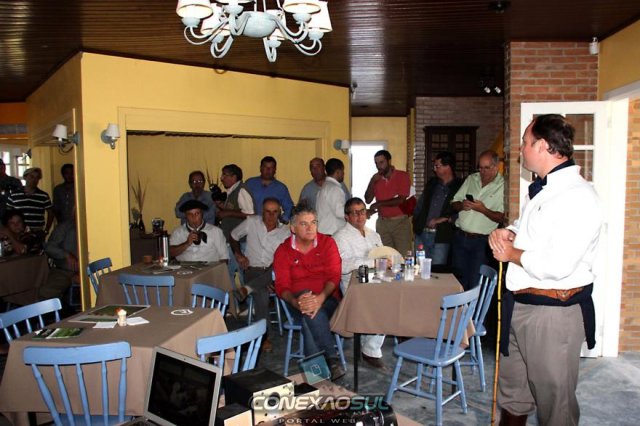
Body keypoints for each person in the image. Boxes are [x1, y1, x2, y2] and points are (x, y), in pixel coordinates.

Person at [489, 114, 602, 426]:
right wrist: (509, 232)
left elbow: (558, 264)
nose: (520, 150)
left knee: (556, 407)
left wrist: (511, 253)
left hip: (553, 314)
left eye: (525, 143)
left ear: (542, 146)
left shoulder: (578, 196)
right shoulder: (539, 190)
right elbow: (530, 230)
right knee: (513, 395)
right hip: (521, 307)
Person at [273, 203, 345, 379]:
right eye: (304, 224)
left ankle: (315, 376)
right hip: (295, 303)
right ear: (293, 228)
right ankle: (331, 359)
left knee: (310, 312)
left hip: (328, 299)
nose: (310, 228)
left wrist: (320, 298)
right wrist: (295, 302)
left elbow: (334, 277)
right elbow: (282, 286)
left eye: (313, 222)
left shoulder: (328, 243)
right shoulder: (283, 251)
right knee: (308, 305)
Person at [229, 198, 291, 352]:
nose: (271, 216)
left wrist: (273, 280)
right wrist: (238, 255)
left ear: (279, 213)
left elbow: (285, 259)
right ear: (261, 212)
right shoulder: (251, 222)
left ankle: (247, 289)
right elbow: (233, 236)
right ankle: (265, 336)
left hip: (273, 271)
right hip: (252, 270)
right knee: (262, 293)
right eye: (267, 212)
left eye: (274, 212)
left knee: (274, 271)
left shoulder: (285, 232)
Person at [333, 197, 386, 369]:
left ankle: (370, 344)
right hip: (353, 286)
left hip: (377, 280)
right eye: (355, 213)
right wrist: (372, 262)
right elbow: (343, 266)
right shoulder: (340, 237)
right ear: (346, 216)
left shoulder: (374, 234)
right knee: (384, 303)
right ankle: (370, 349)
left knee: (394, 296)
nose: (360, 216)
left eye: (362, 211)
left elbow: (383, 255)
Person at [450, 150, 504, 290]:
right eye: (480, 168)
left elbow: (501, 217)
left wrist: (483, 209)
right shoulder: (471, 179)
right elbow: (454, 203)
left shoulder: (502, 185)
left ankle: (475, 305)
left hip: (481, 242)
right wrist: (462, 205)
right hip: (460, 237)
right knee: (457, 282)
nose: (482, 171)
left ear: (496, 167)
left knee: (476, 283)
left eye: (486, 168)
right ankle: (459, 305)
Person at [412, 152, 462, 266]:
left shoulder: (459, 186)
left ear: (447, 167)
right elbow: (420, 204)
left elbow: (462, 211)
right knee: (419, 267)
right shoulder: (432, 183)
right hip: (422, 233)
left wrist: (443, 219)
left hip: (442, 236)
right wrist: (416, 221)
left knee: (437, 269)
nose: (434, 169)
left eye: (437, 166)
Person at [364, 150, 412, 254]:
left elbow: (401, 200)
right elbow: (368, 200)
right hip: (382, 223)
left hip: (400, 223)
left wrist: (379, 204)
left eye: (381, 162)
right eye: (376, 163)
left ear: (389, 161)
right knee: (385, 256)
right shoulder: (376, 179)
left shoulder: (402, 176)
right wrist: (372, 181)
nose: (379, 166)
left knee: (403, 255)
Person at [245, 156, 294, 222]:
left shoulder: (281, 188)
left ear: (275, 169)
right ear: (260, 168)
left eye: (271, 167)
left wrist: (282, 220)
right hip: (251, 223)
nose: (268, 170)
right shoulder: (250, 183)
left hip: (271, 224)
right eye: (265, 167)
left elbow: (289, 207)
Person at [7, 167, 53, 233]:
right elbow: (8, 213)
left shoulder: (43, 196)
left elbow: (51, 213)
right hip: (18, 230)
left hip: (37, 231)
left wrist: (46, 230)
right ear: (25, 177)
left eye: (37, 178)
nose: (34, 180)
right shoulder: (14, 195)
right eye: (32, 177)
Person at [215, 164, 254, 241]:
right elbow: (235, 208)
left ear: (234, 177)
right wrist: (220, 205)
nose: (221, 178)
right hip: (232, 239)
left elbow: (251, 215)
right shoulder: (233, 191)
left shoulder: (241, 191)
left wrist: (227, 213)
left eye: (224, 175)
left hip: (240, 241)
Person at [43, 219, 78, 301]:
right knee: (46, 293)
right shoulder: (65, 226)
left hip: (88, 271)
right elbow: (49, 247)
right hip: (64, 271)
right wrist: (66, 254)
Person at [316, 158, 346, 236]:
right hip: (332, 233)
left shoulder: (325, 187)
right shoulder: (335, 189)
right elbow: (339, 212)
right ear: (338, 172)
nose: (344, 174)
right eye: (342, 171)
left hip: (324, 232)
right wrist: (355, 213)